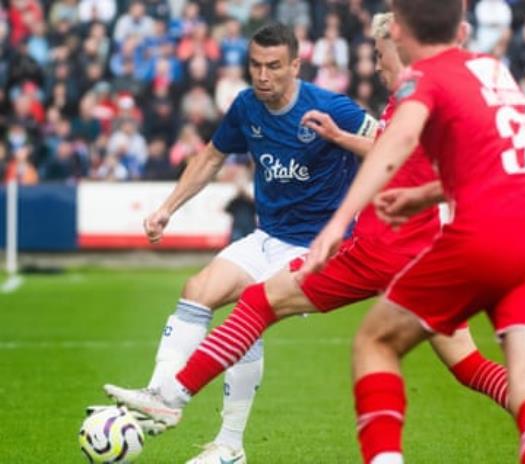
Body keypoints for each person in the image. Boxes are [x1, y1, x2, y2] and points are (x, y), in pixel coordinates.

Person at [105, 13, 525, 464]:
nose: (376, 68)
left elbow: (387, 156)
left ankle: (174, 399)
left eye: (381, 57)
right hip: (439, 251)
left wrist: (336, 223)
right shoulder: (472, 85)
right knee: (468, 366)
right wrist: (415, 190)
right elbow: (459, 167)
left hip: (378, 249)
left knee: (263, 304)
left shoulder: (412, 100)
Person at [103, 22, 377, 464]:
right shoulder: (246, 106)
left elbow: (387, 144)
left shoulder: (332, 107)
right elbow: (212, 155)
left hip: (319, 244)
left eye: (273, 66)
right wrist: (167, 207)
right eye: (255, 65)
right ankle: (163, 398)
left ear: (295, 65)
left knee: (251, 309)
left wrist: (344, 143)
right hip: (269, 234)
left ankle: (225, 439)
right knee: (197, 290)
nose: (263, 75)